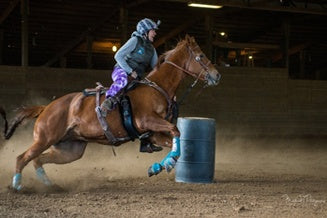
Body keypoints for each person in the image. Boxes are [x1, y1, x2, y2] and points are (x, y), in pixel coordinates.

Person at [101, 18, 162, 153]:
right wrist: (129, 71)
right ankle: (108, 101)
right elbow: (118, 56)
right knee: (122, 80)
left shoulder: (151, 49)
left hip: (136, 79)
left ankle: (145, 142)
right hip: (121, 71)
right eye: (153, 31)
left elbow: (156, 68)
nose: (155, 33)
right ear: (145, 31)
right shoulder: (135, 41)